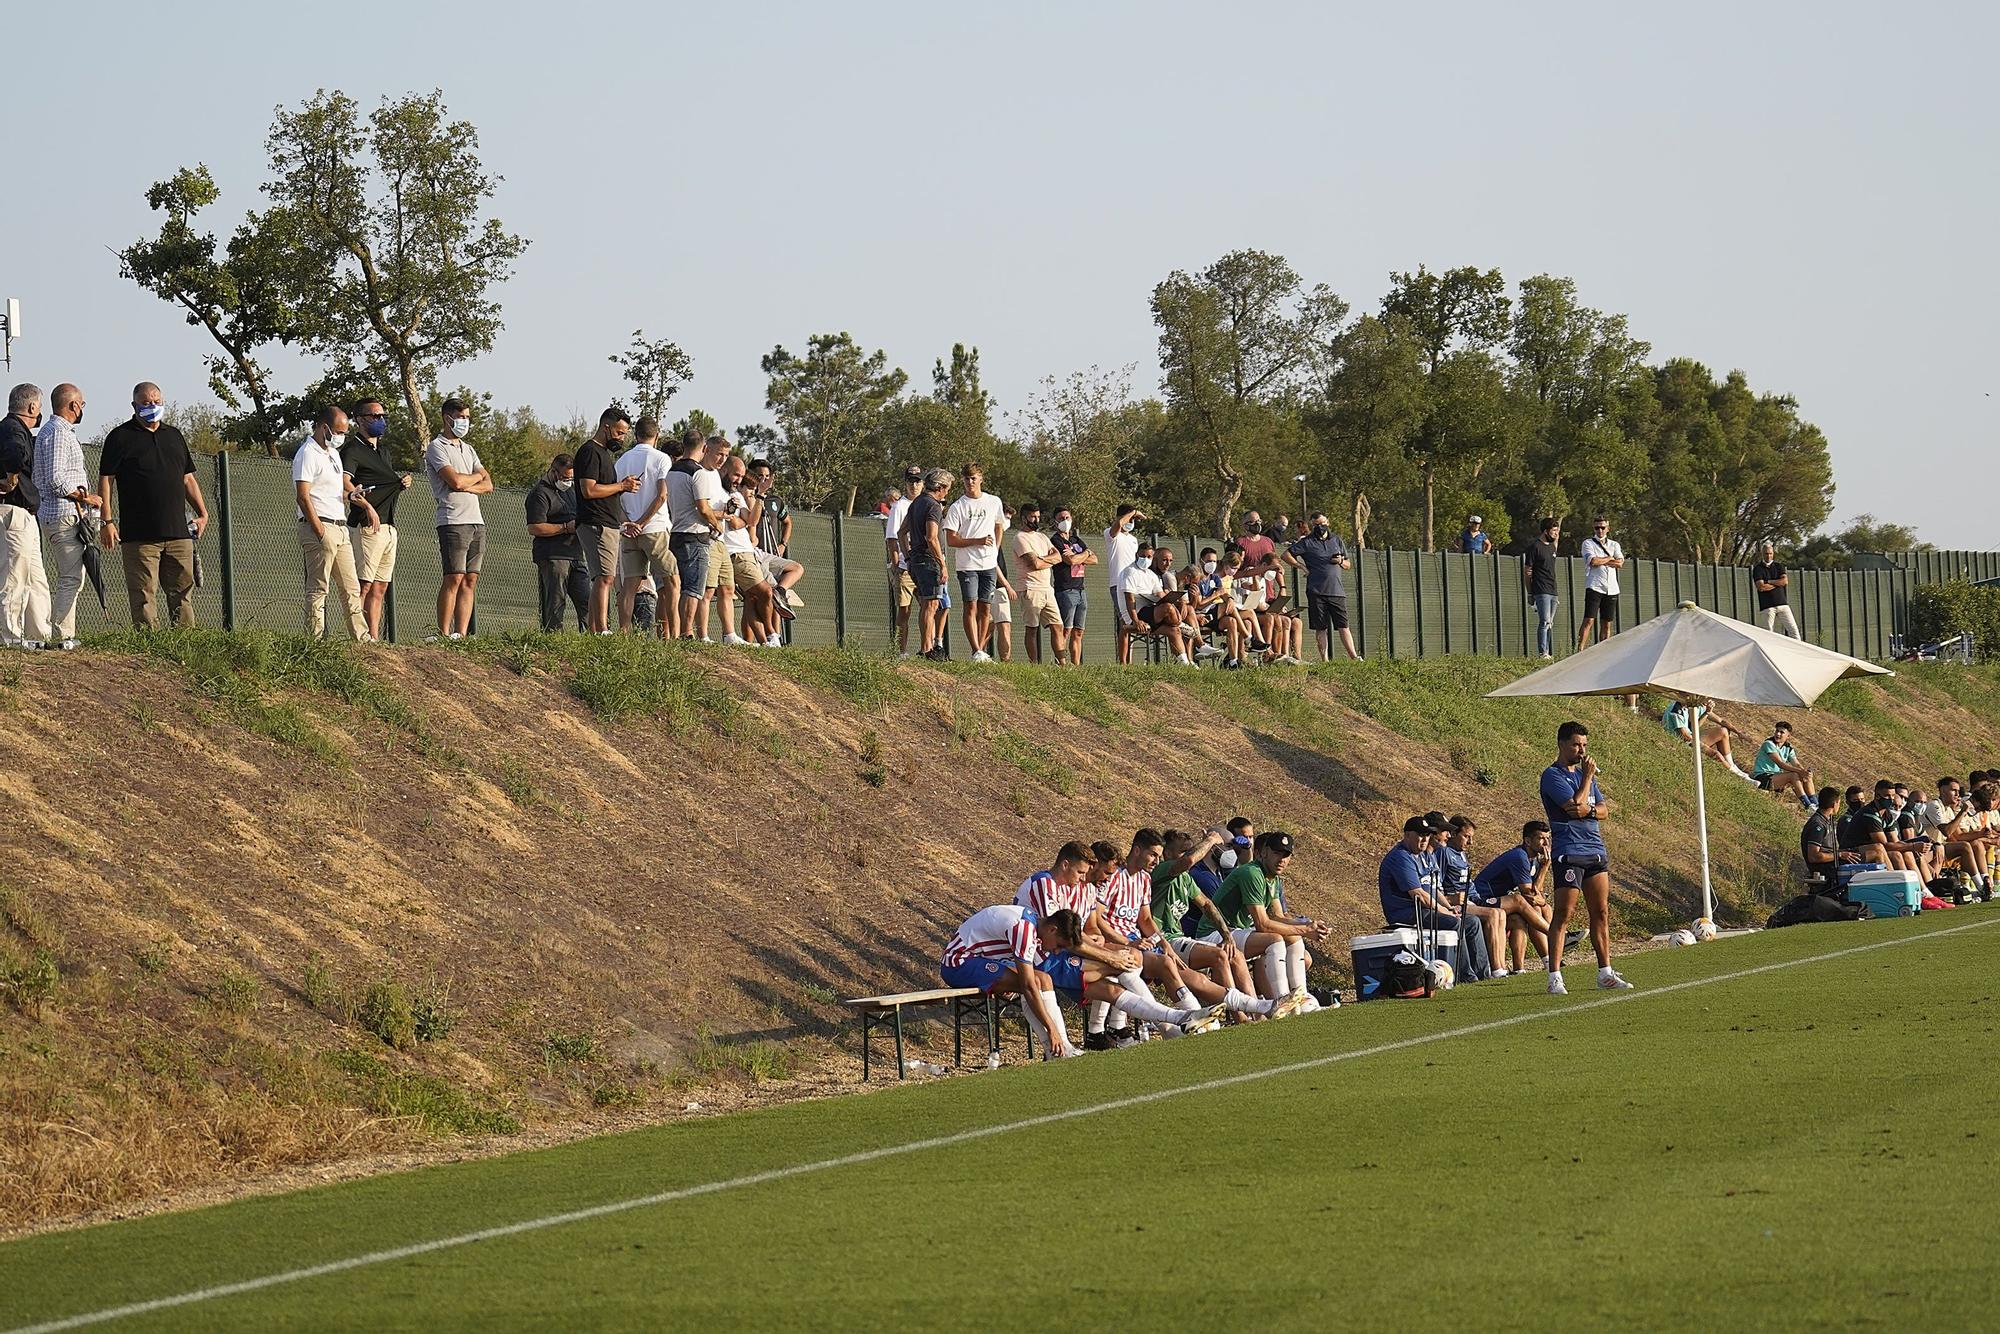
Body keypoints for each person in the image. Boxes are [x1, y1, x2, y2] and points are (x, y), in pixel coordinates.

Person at [99, 383, 208, 630]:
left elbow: (188, 477)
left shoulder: (174, 436)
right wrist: (107, 521)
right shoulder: (120, 437)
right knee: (144, 595)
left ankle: (185, 643)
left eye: (157, 401)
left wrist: (203, 513)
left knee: (182, 593)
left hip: (179, 533)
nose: (152, 406)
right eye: (146, 402)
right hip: (140, 536)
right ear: (134, 405)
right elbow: (106, 479)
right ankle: (149, 647)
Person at [1540, 720, 1634, 994]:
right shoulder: (1553, 776)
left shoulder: (1585, 778)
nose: (1581, 751)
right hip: (1569, 852)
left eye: (1584, 745)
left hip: (1595, 850)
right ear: (1561, 744)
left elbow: (1602, 810)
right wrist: (1587, 780)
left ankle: (1605, 972)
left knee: (1601, 912)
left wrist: (1589, 808)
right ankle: (1554, 976)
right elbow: (1574, 808)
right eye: (1576, 745)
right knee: (1564, 913)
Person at [941, 904, 1084, 1060]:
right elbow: (1028, 986)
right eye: (1059, 945)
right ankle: (1054, 1049)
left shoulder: (1031, 923)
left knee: (1044, 979)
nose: (1056, 951)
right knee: (1033, 984)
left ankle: (1063, 1046)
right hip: (958, 964)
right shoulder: (1023, 929)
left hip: (977, 959)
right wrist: (1052, 1029)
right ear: (1052, 930)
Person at [1212, 831, 1326, 1014]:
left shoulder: (1272, 877)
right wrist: (1304, 930)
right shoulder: (1252, 873)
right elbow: (1263, 924)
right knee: (1274, 939)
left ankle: (1301, 998)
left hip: (1239, 932)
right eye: (1276, 853)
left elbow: (1277, 916)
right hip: (1217, 933)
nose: (1281, 859)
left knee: (1293, 938)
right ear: (1263, 852)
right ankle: (1281, 1001)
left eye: (1286, 855)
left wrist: (1308, 925)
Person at [291, 406, 377, 642]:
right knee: (318, 588)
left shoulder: (332, 454)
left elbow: (334, 489)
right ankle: (315, 640)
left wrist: (352, 496)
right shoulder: (307, 453)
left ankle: (361, 637)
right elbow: (303, 495)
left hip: (340, 527)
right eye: (338, 431)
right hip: (320, 526)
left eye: (344, 432)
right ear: (323, 427)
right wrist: (318, 529)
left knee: (351, 587)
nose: (341, 437)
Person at [32, 382, 96, 650]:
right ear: (73, 405)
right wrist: (85, 497)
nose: (82, 409)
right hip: (64, 515)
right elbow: (55, 478)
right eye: (81, 404)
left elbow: (40, 476)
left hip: (56, 513)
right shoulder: (59, 433)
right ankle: (63, 637)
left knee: (69, 576)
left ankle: (58, 633)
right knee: (71, 577)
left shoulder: (49, 431)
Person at [341, 398, 409, 642]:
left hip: (388, 525)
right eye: (374, 416)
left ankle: (374, 637)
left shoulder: (384, 452)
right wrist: (366, 506)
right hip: (367, 526)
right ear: (360, 419)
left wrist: (400, 484)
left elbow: (379, 482)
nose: (380, 420)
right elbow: (346, 484)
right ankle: (358, 637)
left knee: (380, 586)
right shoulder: (352, 450)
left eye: (382, 415)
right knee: (364, 584)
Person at [426, 397, 491, 640]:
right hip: (453, 520)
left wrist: (468, 482)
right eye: (461, 417)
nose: (465, 422)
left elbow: (488, 483)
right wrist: (471, 478)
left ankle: (460, 634)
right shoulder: (437, 447)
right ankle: (443, 633)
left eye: (467, 418)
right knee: (454, 576)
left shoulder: (469, 448)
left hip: (477, 521)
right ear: (447, 418)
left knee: (471, 579)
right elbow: (454, 481)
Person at [572, 407, 637, 635]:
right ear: (606, 427)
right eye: (619, 433)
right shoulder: (590, 452)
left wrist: (622, 518)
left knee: (602, 577)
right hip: (596, 523)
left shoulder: (605, 455)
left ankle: (593, 629)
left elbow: (606, 492)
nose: (621, 438)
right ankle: (601, 629)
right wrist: (622, 486)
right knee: (605, 577)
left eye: (624, 434)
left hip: (608, 522)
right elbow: (588, 490)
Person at [614, 416, 676, 638]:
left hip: (628, 531)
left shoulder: (621, 461)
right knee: (671, 581)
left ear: (635, 435)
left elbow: (615, 497)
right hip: (655, 528)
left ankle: (623, 633)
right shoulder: (662, 459)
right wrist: (643, 522)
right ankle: (673, 635)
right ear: (656, 436)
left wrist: (628, 523)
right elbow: (662, 495)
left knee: (629, 586)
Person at [0, 383, 50, 648]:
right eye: (39, 407)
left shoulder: (13, 430)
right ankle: (10, 637)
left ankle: (40, 635)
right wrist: (12, 476)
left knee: (35, 579)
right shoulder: (12, 429)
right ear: (32, 407)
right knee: (14, 577)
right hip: (14, 513)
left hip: (25, 514)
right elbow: (15, 455)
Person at [1470, 821, 1555, 975]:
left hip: (1499, 900)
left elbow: (1538, 892)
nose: (1546, 843)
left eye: (1548, 838)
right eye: (1541, 838)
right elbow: (1529, 895)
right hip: (1481, 899)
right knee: (1520, 901)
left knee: (1524, 917)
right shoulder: (1519, 856)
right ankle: (1556, 936)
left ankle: (1521, 969)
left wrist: (1544, 867)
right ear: (1528, 841)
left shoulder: (1535, 859)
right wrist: (1544, 869)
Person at [666, 428, 727, 639]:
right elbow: (702, 507)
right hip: (695, 535)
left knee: (679, 586)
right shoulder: (698, 472)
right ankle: (687, 632)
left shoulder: (672, 471)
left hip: (675, 533)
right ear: (703, 448)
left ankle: (677, 632)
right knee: (693, 588)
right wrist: (716, 524)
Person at [942, 462, 1006, 662]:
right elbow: (951, 539)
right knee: (971, 605)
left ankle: (981, 650)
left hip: (988, 564)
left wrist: (994, 549)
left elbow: (999, 525)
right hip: (967, 565)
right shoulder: (957, 506)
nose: (970, 482)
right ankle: (975, 649)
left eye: (974, 478)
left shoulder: (994, 501)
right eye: (967, 479)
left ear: (981, 479)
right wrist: (976, 541)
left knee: (986, 607)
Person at [1281, 511, 1361, 661]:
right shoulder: (1307, 542)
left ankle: (1354, 657)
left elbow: (1348, 564)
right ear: (1312, 526)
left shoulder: (1336, 540)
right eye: (1316, 525)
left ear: (1328, 523)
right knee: (1321, 627)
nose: (1320, 527)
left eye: (1322, 524)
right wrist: (1301, 567)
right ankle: (1325, 660)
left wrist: (1340, 562)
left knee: (1344, 625)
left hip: (1336, 591)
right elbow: (1286, 555)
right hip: (1316, 591)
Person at [718, 454, 778, 644]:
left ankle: (765, 640)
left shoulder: (736, 494)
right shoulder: (717, 489)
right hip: (736, 553)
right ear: (725, 470)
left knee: (754, 597)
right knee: (765, 592)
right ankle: (771, 635)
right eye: (736, 475)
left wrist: (760, 495)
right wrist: (737, 519)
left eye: (741, 477)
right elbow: (734, 522)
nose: (738, 481)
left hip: (748, 552)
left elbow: (751, 520)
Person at [525, 452, 589, 631]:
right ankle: (553, 640)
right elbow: (535, 527)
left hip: (576, 554)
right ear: (553, 472)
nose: (567, 481)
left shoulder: (572, 490)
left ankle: (592, 640)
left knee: (587, 601)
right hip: (553, 555)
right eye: (564, 477)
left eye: (571, 478)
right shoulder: (539, 494)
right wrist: (565, 528)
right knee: (555, 603)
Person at [899, 469, 952, 660]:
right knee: (931, 605)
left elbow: (901, 532)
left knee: (926, 605)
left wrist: (908, 557)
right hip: (929, 561)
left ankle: (926, 647)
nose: (947, 493)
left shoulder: (916, 503)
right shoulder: (933, 506)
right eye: (947, 489)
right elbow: (932, 537)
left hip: (916, 561)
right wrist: (942, 564)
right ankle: (926, 649)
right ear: (940, 487)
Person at [748, 458, 804, 638]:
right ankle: (755, 640)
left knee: (775, 594)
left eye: (767, 476)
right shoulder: (746, 496)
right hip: (751, 554)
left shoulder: (775, 501)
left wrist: (783, 544)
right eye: (759, 476)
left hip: (770, 553)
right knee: (755, 598)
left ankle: (776, 638)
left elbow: (787, 522)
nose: (763, 480)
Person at [1379, 816, 1460, 936]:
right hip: (1406, 913)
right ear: (1407, 835)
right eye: (1421, 835)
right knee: (1454, 923)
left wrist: (1448, 908)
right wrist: (1445, 912)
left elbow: (1432, 889)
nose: (1425, 839)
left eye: (1428, 835)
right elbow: (1419, 895)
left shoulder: (1421, 855)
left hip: (1424, 911)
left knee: (1471, 923)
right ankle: (1446, 955)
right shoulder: (1400, 857)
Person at [1007, 501, 1064, 665]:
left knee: (1057, 625)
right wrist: (1048, 560)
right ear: (1024, 518)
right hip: (1030, 588)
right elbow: (1034, 564)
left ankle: (1062, 663)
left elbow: (1058, 557)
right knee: (1032, 629)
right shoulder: (1019, 538)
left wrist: (1043, 559)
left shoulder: (1042, 537)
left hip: (1047, 588)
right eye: (1033, 517)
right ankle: (1035, 664)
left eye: (1038, 516)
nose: (1037, 520)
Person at [1662, 698, 1755, 781]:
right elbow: (1685, 736)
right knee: (1716, 754)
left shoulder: (1695, 706)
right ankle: (1739, 777)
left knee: (1723, 731)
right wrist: (1703, 746)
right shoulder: (1676, 711)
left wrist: (1738, 732)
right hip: (1681, 741)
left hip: (1690, 737)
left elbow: (1720, 721)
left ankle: (1733, 766)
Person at [1049, 506, 1095, 665]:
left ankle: (1075, 666)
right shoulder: (1055, 540)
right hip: (1065, 590)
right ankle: (1060, 663)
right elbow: (1070, 561)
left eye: (1067, 518)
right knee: (1065, 629)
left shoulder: (1076, 540)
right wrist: (1085, 554)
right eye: (1061, 518)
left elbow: (1094, 559)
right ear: (1055, 522)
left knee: (1078, 631)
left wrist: (1083, 555)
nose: (1065, 521)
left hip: (1081, 590)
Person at [885, 466, 922, 656]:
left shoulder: (927, 504)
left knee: (928, 606)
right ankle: (901, 651)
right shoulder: (899, 507)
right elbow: (892, 538)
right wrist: (896, 564)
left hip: (923, 566)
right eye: (910, 481)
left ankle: (928, 648)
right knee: (904, 610)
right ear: (906, 483)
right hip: (905, 567)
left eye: (917, 481)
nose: (914, 485)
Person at [1576, 516, 1624, 650]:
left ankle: (1603, 651)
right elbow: (1593, 561)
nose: (1600, 530)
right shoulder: (1588, 543)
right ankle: (1579, 650)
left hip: (1612, 588)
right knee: (1589, 620)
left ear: (1608, 529)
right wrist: (1609, 558)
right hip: (1595, 586)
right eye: (1597, 527)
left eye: (1603, 527)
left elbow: (1620, 563)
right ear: (1594, 528)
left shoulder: (1615, 545)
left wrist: (1602, 560)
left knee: (1607, 623)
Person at [1104, 503, 1143, 664]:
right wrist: (1132, 512)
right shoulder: (1111, 534)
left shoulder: (1133, 540)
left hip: (1132, 584)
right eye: (1130, 518)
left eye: (1134, 519)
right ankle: (1123, 662)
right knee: (1125, 621)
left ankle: (1130, 660)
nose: (1131, 521)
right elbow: (1118, 525)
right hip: (1117, 584)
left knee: (1132, 621)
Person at [1799, 787, 1858, 893]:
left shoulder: (1826, 820)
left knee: (1870, 849)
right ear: (1834, 804)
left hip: (1833, 861)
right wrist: (1839, 855)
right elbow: (1813, 857)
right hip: (1826, 868)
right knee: (1873, 853)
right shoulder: (1818, 825)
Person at [1752, 721, 1816, 808]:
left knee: (1806, 776)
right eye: (1777, 731)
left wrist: (1804, 772)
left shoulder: (1788, 748)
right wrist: (1800, 771)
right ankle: (1808, 806)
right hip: (1763, 777)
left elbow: (1796, 763)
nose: (1778, 734)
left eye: (1781, 732)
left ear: (1788, 736)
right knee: (1793, 775)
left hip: (1776, 778)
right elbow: (1780, 764)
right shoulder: (1769, 744)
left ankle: (1815, 804)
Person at [1524, 516, 1560, 658]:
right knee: (1544, 621)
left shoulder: (1552, 547)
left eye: (1557, 531)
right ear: (1546, 531)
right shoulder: (1535, 547)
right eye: (1554, 531)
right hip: (1541, 589)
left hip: (1553, 590)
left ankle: (1548, 652)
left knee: (1550, 622)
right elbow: (1527, 571)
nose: (1556, 534)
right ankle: (1542, 652)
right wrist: (1530, 593)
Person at [1752, 541, 1800, 639]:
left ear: (1773, 553)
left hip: (1782, 604)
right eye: (1766, 553)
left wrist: (1769, 581)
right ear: (1762, 554)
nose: (1768, 556)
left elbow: (1784, 581)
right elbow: (1761, 587)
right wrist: (1777, 583)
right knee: (1768, 635)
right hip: (1767, 606)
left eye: (1770, 553)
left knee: (1794, 632)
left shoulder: (1779, 566)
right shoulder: (1758, 569)